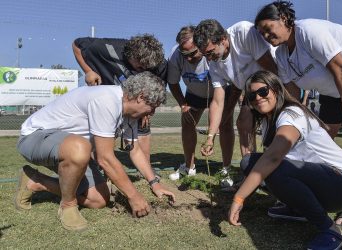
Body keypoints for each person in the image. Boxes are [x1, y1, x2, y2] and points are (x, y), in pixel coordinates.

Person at [254, 1, 342, 227]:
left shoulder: (309, 32)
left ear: (285, 19)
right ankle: (312, 192)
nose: (266, 35)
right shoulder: (282, 55)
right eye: (262, 33)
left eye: (269, 28)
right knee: (320, 135)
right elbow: (293, 92)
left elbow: (341, 68)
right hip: (333, 87)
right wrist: (298, 124)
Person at [15, 72, 176, 231]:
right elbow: (104, 158)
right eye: (152, 107)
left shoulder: (128, 114)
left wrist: (154, 183)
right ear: (141, 97)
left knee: (98, 199)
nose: (152, 113)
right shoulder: (107, 100)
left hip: (74, 148)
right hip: (34, 138)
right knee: (80, 147)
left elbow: (135, 151)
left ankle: (35, 181)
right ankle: (68, 205)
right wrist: (133, 196)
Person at [229, 71, 342, 250]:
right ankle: (298, 209)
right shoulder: (270, 119)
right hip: (320, 180)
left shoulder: (291, 114)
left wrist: (239, 198)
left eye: (263, 91)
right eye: (252, 96)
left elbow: (273, 157)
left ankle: (330, 230)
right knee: (249, 162)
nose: (258, 98)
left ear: (276, 89)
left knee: (274, 168)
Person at [193, 19, 277, 186]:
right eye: (205, 55)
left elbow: (272, 68)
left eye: (210, 52)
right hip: (250, 88)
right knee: (243, 121)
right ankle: (251, 174)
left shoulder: (243, 33)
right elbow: (217, 101)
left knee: (273, 127)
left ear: (223, 39)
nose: (208, 59)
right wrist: (210, 137)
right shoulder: (214, 63)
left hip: (273, 81)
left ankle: (274, 173)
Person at [72, 34, 168, 162]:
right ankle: (98, 167)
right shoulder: (106, 47)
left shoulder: (158, 63)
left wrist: (147, 109)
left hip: (137, 100)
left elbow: (158, 85)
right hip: (109, 100)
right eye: (140, 67)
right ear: (132, 55)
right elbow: (76, 45)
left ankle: (145, 169)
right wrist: (88, 71)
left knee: (143, 127)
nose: (143, 70)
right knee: (104, 134)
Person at [166, 26, 213, 180]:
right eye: (184, 54)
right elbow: (173, 83)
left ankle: (225, 168)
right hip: (193, 93)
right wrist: (183, 104)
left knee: (225, 126)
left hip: (217, 93)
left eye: (192, 53)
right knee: (187, 122)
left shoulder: (211, 51)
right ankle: (189, 166)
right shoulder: (175, 55)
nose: (188, 59)